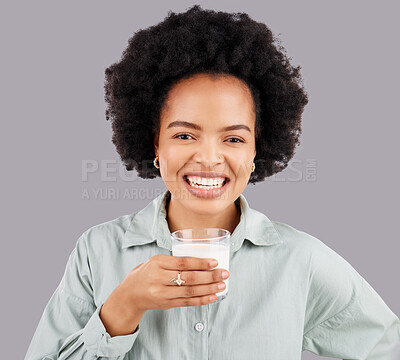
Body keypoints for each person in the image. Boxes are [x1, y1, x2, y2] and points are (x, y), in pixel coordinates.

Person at [25, 5, 400, 360]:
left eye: (234, 139)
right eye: (185, 136)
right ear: (155, 143)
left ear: (257, 149)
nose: (208, 158)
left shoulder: (301, 260)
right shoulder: (98, 252)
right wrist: (123, 307)